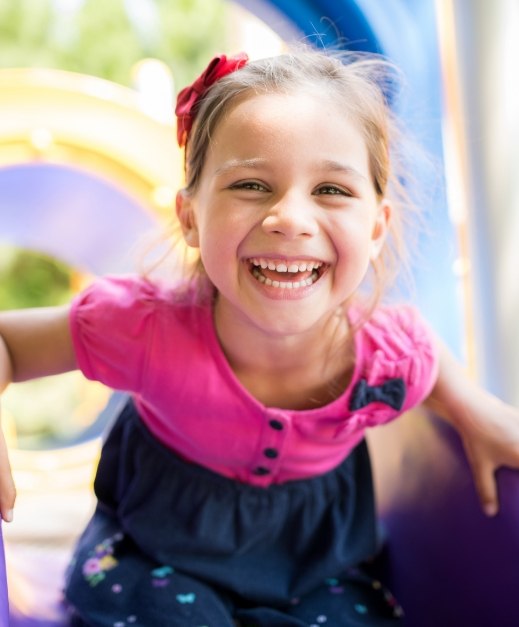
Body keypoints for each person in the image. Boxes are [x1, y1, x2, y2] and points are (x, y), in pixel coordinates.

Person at [1, 47, 519, 627]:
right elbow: (8, 342)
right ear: (191, 216)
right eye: (250, 184)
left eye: (332, 190)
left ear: (376, 228)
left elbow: (424, 350)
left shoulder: (384, 357)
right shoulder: (144, 328)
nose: (290, 218)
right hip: (154, 555)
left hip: (317, 571)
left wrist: (477, 411)